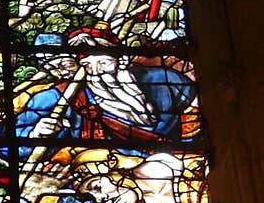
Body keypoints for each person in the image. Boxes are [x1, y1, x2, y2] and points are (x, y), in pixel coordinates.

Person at [17, 25, 197, 145]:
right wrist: (33, 134)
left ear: (123, 60)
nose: (96, 72)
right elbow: (2, 138)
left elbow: (199, 120)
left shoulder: (166, 81)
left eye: (103, 63)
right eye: (87, 66)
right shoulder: (62, 97)